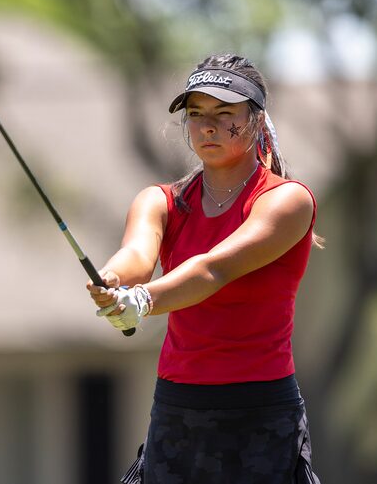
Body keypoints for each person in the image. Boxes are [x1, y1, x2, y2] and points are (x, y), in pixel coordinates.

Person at [87, 54, 322, 483]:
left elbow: (214, 269)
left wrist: (142, 300)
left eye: (224, 113)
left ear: (256, 120)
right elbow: (138, 256)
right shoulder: (161, 200)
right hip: (177, 411)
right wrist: (113, 281)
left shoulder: (287, 201)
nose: (207, 126)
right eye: (195, 115)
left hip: (259, 416)